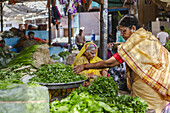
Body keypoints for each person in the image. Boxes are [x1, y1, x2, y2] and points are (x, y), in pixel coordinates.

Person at [73, 14, 170, 113]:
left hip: (147, 88)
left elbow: (109, 63)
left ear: (133, 28)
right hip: (158, 86)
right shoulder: (149, 38)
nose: (122, 35)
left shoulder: (136, 42)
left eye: (124, 31)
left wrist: (85, 66)